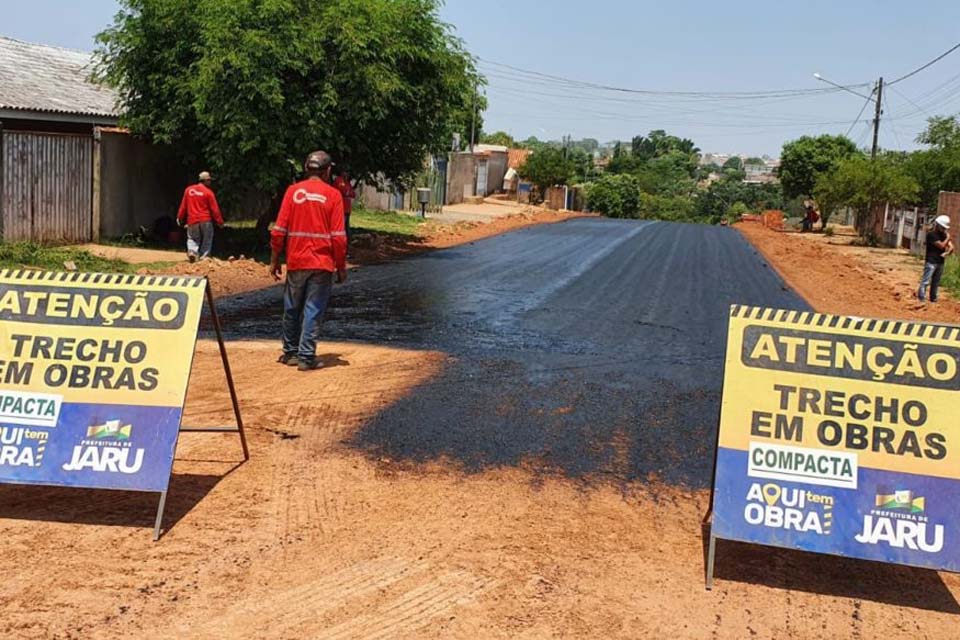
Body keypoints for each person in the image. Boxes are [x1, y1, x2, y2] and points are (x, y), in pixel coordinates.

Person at [270, 151, 348, 371]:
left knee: (292, 307)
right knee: (313, 309)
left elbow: (278, 231)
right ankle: (306, 357)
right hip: (322, 264)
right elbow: (339, 238)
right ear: (327, 171)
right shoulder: (333, 196)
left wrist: (275, 260)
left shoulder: (292, 192)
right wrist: (341, 267)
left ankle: (291, 352)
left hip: (296, 260)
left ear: (306, 168)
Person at [177, 171, 224, 261]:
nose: (210, 182)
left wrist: (180, 217)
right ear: (205, 181)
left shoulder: (189, 190)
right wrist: (220, 222)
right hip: (206, 220)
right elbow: (215, 209)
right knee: (207, 238)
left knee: (192, 238)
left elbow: (183, 206)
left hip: (192, 220)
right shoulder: (208, 193)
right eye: (209, 180)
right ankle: (204, 256)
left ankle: (192, 252)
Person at [918, 215, 955, 303]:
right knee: (926, 281)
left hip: (940, 262)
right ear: (937, 225)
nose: (944, 229)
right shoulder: (931, 235)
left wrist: (948, 251)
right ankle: (921, 298)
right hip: (931, 261)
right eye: (942, 227)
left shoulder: (944, 235)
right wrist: (947, 238)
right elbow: (941, 245)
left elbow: (951, 247)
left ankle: (933, 298)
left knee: (936, 282)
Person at [332, 168, 356, 243]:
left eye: (348, 172)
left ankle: (347, 241)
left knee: (346, 226)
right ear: (342, 172)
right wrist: (347, 193)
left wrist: (348, 193)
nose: (347, 174)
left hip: (347, 208)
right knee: (341, 225)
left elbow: (353, 194)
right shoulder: (339, 180)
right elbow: (343, 191)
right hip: (341, 207)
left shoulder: (347, 183)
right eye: (345, 172)